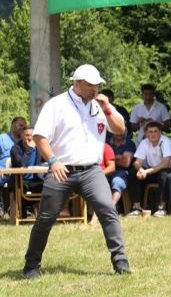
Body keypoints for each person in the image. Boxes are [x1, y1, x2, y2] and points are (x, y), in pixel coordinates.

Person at [23, 64, 129, 279]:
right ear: (76, 83)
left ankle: (121, 264)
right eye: (90, 85)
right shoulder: (57, 105)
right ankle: (31, 266)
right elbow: (40, 136)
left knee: (108, 211)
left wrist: (108, 108)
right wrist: (53, 161)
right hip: (62, 169)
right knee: (46, 218)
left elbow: (120, 129)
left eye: (97, 84)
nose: (95, 89)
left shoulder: (100, 105)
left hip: (92, 169)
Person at [127, 121, 171, 217]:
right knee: (133, 172)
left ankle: (161, 208)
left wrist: (146, 171)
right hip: (152, 171)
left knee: (163, 174)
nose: (153, 134)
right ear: (146, 134)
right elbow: (137, 162)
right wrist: (141, 170)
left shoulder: (165, 141)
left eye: (155, 131)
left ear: (160, 133)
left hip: (169, 170)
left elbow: (165, 163)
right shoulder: (144, 142)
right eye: (150, 132)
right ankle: (136, 207)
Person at [10, 125, 44, 218]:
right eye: (27, 135)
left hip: (36, 179)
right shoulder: (15, 148)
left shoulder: (39, 147)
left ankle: (44, 216)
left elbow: (46, 160)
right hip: (19, 180)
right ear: (22, 136)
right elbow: (21, 163)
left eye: (32, 135)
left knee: (48, 186)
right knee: (20, 190)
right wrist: (29, 149)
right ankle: (21, 215)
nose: (30, 138)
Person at [0, 116, 27, 217]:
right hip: (3, 171)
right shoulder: (2, 138)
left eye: (24, 126)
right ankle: (0, 208)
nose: (22, 127)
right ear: (13, 124)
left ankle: (22, 208)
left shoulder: (26, 139)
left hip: (19, 170)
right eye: (20, 125)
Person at [107, 130, 136, 210]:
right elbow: (102, 160)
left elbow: (126, 163)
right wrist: (119, 157)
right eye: (116, 130)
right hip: (106, 170)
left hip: (122, 171)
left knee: (117, 181)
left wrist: (111, 159)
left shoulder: (130, 143)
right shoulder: (105, 142)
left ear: (126, 131)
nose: (119, 132)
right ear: (112, 131)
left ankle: (111, 208)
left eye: (121, 130)